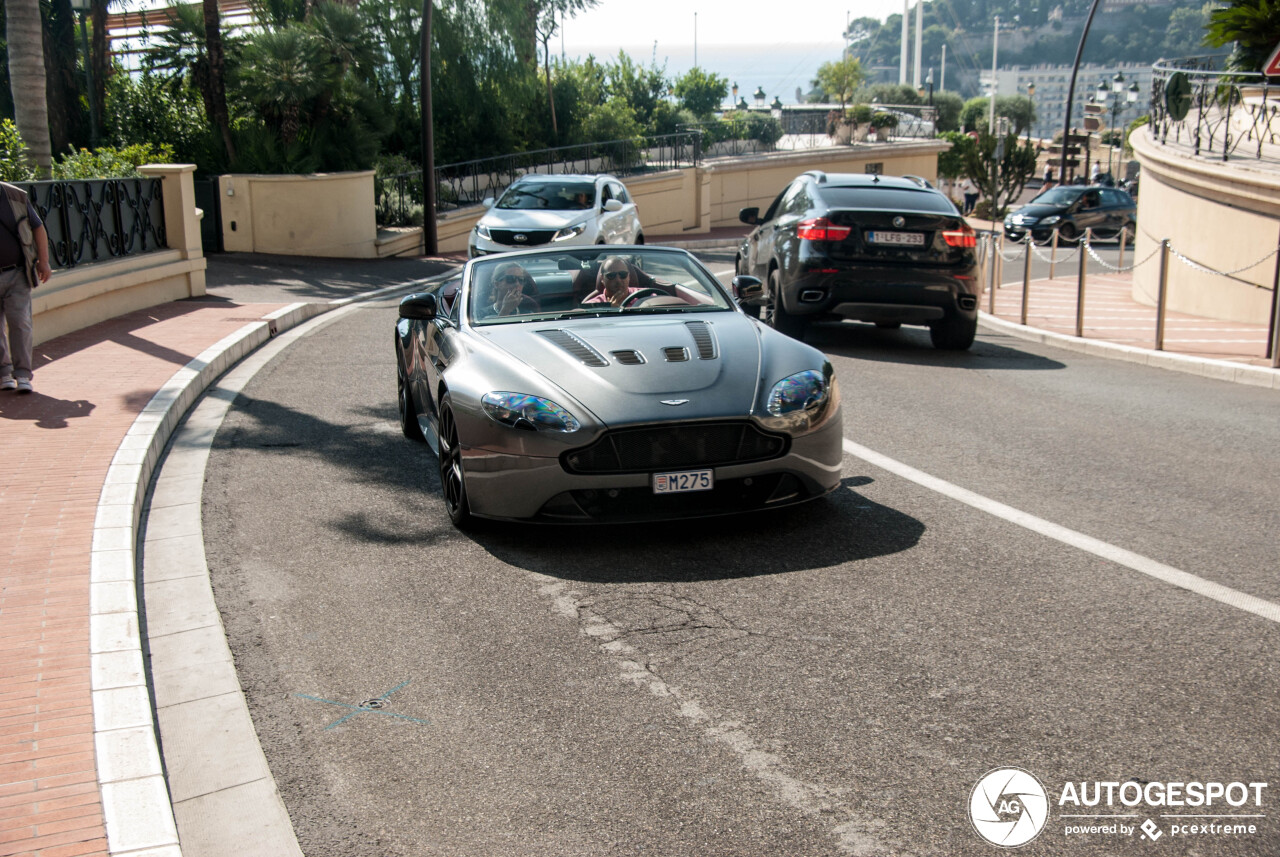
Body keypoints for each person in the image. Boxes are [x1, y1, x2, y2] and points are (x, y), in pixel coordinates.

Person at [0, 182, 52, 394]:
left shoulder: (15, 196)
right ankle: (3, 373)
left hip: (17, 273)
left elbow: (37, 226)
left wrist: (44, 261)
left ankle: (22, 374)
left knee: (20, 322)